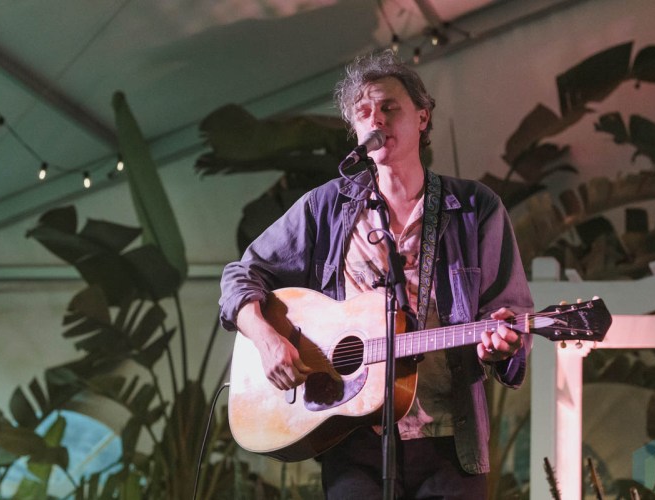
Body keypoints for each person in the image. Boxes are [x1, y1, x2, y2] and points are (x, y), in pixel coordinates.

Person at [219, 49, 533, 499]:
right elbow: (240, 275)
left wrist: (503, 344)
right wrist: (268, 339)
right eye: (364, 112)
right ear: (355, 128)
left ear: (422, 117)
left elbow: (510, 313)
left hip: (449, 439)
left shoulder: (475, 208)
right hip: (351, 439)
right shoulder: (327, 207)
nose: (377, 119)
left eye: (389, 107)